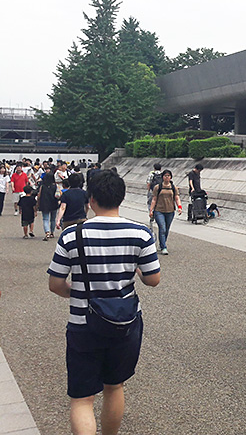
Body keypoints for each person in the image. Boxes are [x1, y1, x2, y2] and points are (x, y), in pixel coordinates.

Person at [47, 169, 161, 435]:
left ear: (91, 200)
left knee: (83, 397)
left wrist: (76, 293)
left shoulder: (71, 235)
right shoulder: (141, 234)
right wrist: (137, 271)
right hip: (126, 322)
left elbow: (55, 284)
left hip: (83, 323)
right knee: (115, 386)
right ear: (120, 198)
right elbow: (153, 279)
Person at [148, 169, 182, 254]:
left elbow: (176, 198)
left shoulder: (173, 187)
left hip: (170, 210)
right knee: (162, 228)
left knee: (166, 229)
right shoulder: (157, 187)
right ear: (163, 177)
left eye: (168, 176)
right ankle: (164, 247)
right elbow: (154, 199)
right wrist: (151, 210)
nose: (167, 177)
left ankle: (162, 243)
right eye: (165, 175)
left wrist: (179, 207)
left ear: (171, 177)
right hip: (159, 210)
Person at [38, 168, 60, 240]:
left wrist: (38, 203)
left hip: (44, 204)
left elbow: (39, 195)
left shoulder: (43, 186)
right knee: (53, 219)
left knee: (45, 219)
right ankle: (52, 233)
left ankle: (47, 232)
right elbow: (58, 195)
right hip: (53, 203)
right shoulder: (55, 186)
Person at [145, 163, 163, 230]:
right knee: (158, 204)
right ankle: (158, 216)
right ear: (161, 168)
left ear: (154, 168)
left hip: (152, 192)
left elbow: (149, 183)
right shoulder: (162, 175)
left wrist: (149, 190)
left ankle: (151, 214)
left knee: (150, 203)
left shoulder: (151, 174)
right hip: (160, 192)